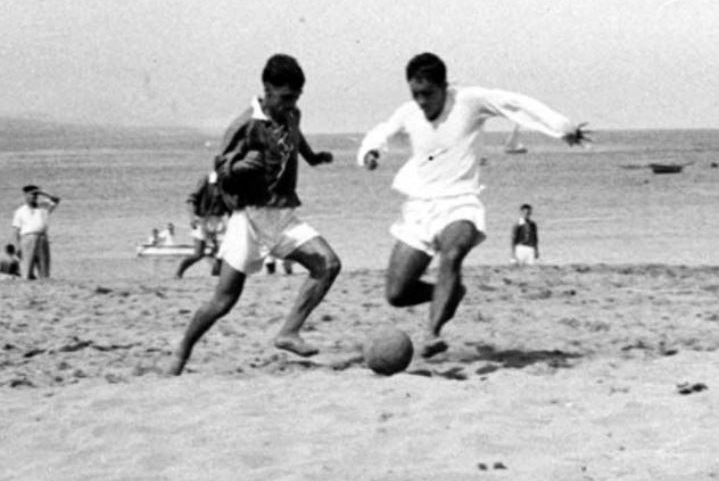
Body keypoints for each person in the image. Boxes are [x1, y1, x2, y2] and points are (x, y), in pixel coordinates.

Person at [358, 52, 588, 358]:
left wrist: (562, 128)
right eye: (416, 94)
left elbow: (516, 104)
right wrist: (370, 153)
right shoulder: (409, 113)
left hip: (460, 203)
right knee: (397, 294)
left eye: (428, 93)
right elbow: (381, 132)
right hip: (419, 209)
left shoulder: (470, 101)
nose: (422, 101)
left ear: (444, 86)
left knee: (452, 254)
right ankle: (451, 290)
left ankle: (432, 333)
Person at [167, 54, 340, 375]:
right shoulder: (244, 123)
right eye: (286, 97)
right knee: (224, 300)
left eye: (296, 97)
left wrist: (312, 157)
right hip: (249, 220)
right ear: (267, 89)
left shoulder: (292, 114)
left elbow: (295, 134)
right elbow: (219, 168)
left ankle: (289, 332)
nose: (291, 104)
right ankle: (182, 351)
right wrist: (239, 166)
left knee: (328, 264)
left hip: (284, 216)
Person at [175, 172, 230, 278]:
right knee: (198, 254)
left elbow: (230, 204)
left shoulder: (228, 183)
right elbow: (191, 200)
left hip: (218, 219)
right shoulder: (206, 180)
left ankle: (216, 273)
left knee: (223, 251)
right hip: (202, 219)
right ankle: (180, 271)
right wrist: (192, 218)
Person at [12, 184, 61, 280]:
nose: (34, 196)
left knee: (44, 267)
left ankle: (44, 281)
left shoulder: (44, 207)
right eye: (32, 194)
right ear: (26, 195)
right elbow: (15, 231)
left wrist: (43, 192)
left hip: (42, 238)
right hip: (27, 239)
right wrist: (17, 247)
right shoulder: (20, 211)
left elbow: (57, 199)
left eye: (36, 195)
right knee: (27, 267)